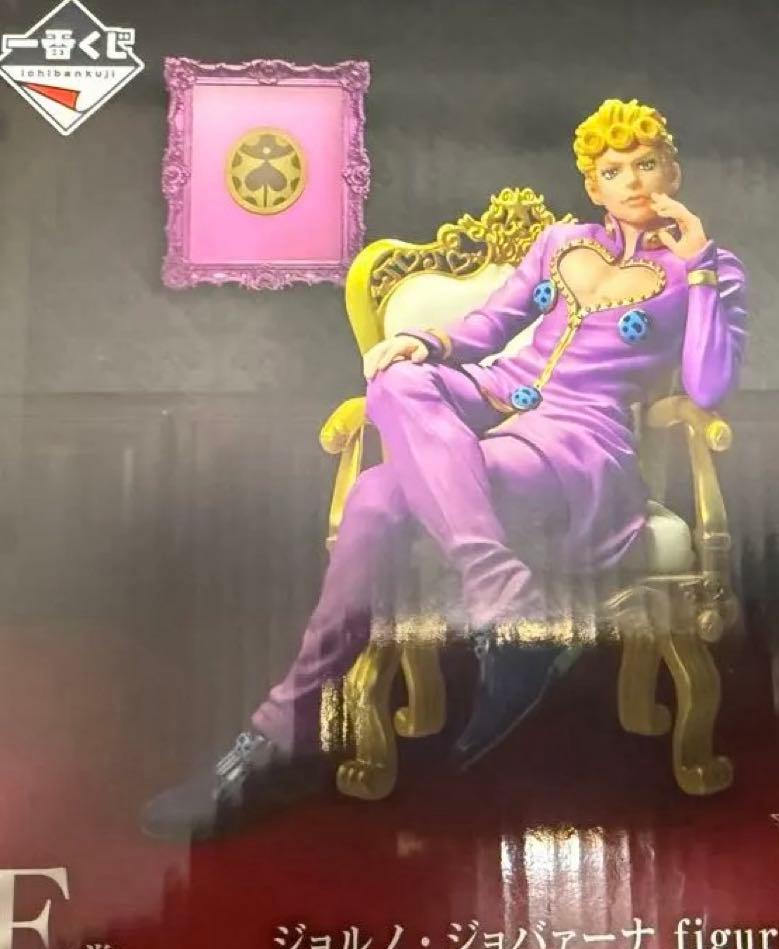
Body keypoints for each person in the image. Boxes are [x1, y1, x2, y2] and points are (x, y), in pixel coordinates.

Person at [141, 98, 748, 841]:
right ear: (593, 184)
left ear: (672, 171)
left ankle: (278, 730)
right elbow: (491, 327)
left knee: (376, 495)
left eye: (648, 163)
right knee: (395, 380)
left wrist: (699, 270)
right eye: (614, 169)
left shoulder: (707, 269)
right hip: (491, 398)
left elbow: (709, 385)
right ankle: (505, 600)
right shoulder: (561, 243)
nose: (634, 181)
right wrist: (424, 345)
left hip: (579, 442)